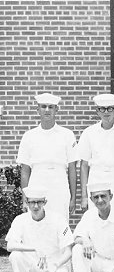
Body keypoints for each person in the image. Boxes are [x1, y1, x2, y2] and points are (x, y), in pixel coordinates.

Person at [6, 186, 73, 272]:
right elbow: (10, 245)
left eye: (39, 202)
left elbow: (69, 251)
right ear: (27, 203)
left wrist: (55, 265)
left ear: (45, 202)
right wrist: (35, 249)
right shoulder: (20, 220)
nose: (36, 206)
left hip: (54, 266)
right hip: (34, 267)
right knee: (15, 255)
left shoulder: (57, 219)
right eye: (32, 202)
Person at [17, 93, 77, 223]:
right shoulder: (29, 136)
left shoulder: (67, 135)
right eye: (43, 106)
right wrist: (24, 197)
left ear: (56, 110)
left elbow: (72, 169)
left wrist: (73, 197)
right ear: (37, 109)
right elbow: (25, 170)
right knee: (36, 225)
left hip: (59, 186)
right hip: (36, 185)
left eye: (51, 107)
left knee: (60, 224)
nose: (47, 110)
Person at [76, 93, 114, 213]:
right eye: (102, 109)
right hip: (96, 177)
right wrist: (84, 196)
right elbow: (84, 165)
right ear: (97, 111)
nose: (106, 112)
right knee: (95, 216)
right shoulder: (89, 133)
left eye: (110, 109)